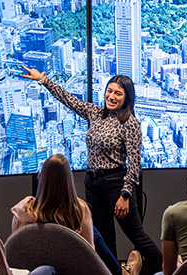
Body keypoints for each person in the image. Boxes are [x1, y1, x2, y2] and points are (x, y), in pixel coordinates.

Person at [22, 66, 162, 272]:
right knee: (104, 239)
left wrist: (125, 194)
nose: (111, 96)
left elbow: (134, 161)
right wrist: (43, 79)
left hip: (116, 184)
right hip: (93, 183)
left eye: (118, 93)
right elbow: (69, 99)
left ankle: (166, 270)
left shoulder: (130, 123)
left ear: (127, 98)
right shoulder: (96, 114)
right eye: (109, 91)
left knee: (137, 235)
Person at [11, 154, 141, 275]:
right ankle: (122, 273)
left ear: (40, 177)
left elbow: (16, 253)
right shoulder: (79, 211)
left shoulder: (22, 214)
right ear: (69, 181)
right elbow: (89, 257)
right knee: (93, 232)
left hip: (34, 271)